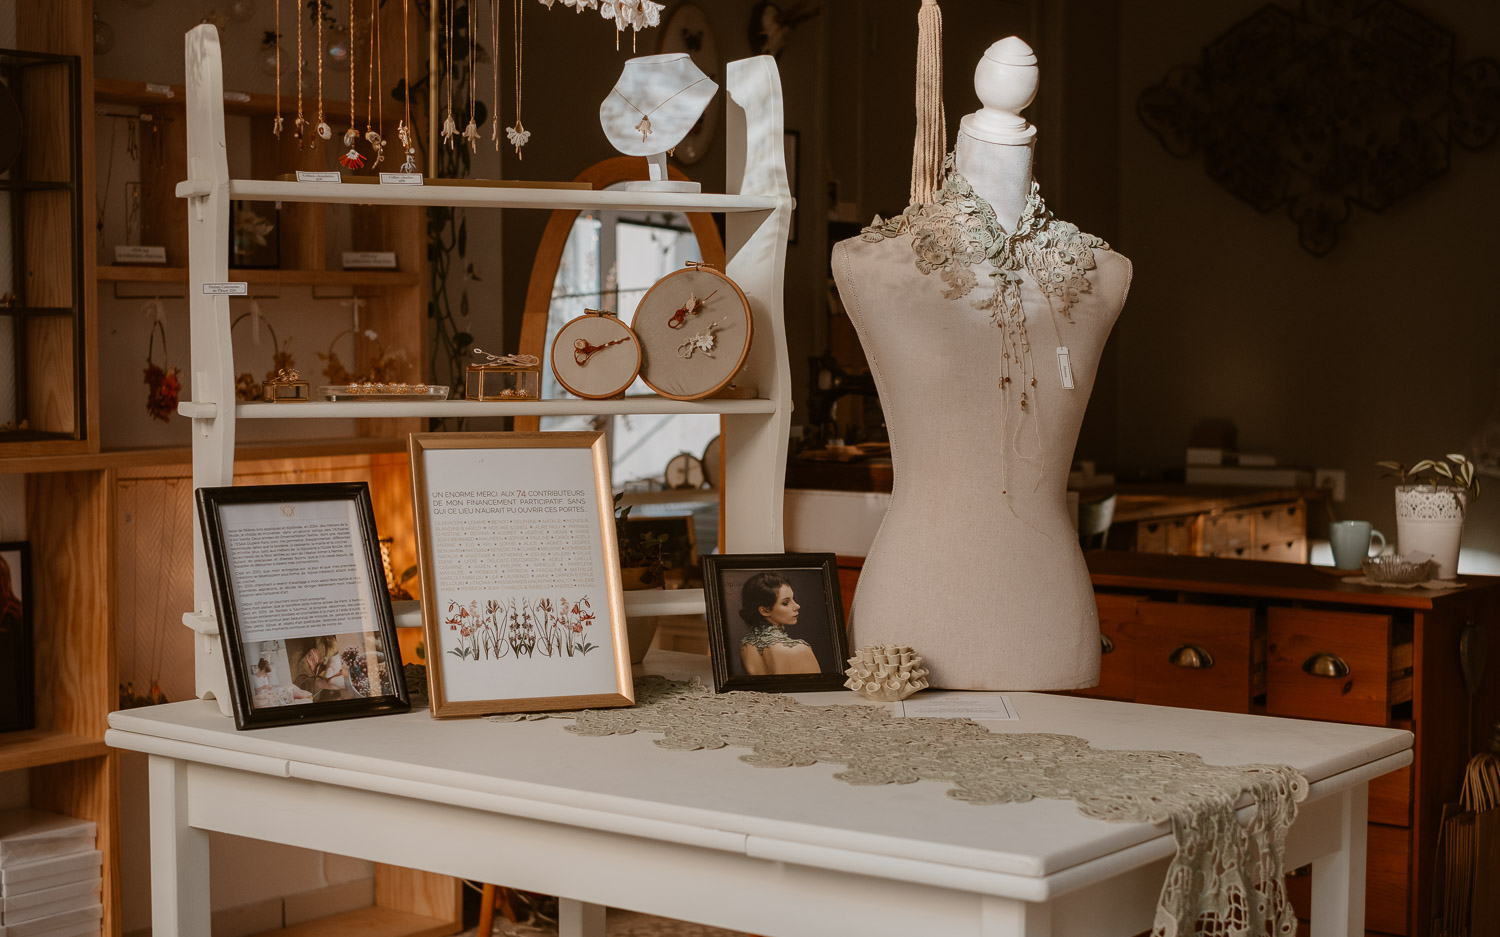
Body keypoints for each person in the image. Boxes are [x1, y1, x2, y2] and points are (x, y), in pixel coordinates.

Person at [737, 571, 820, 676]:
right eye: (785, 603)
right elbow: (819, 691)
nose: (797, 606)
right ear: (765, 611)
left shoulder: (745, 646)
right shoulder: (800, 649)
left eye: (793, 599)